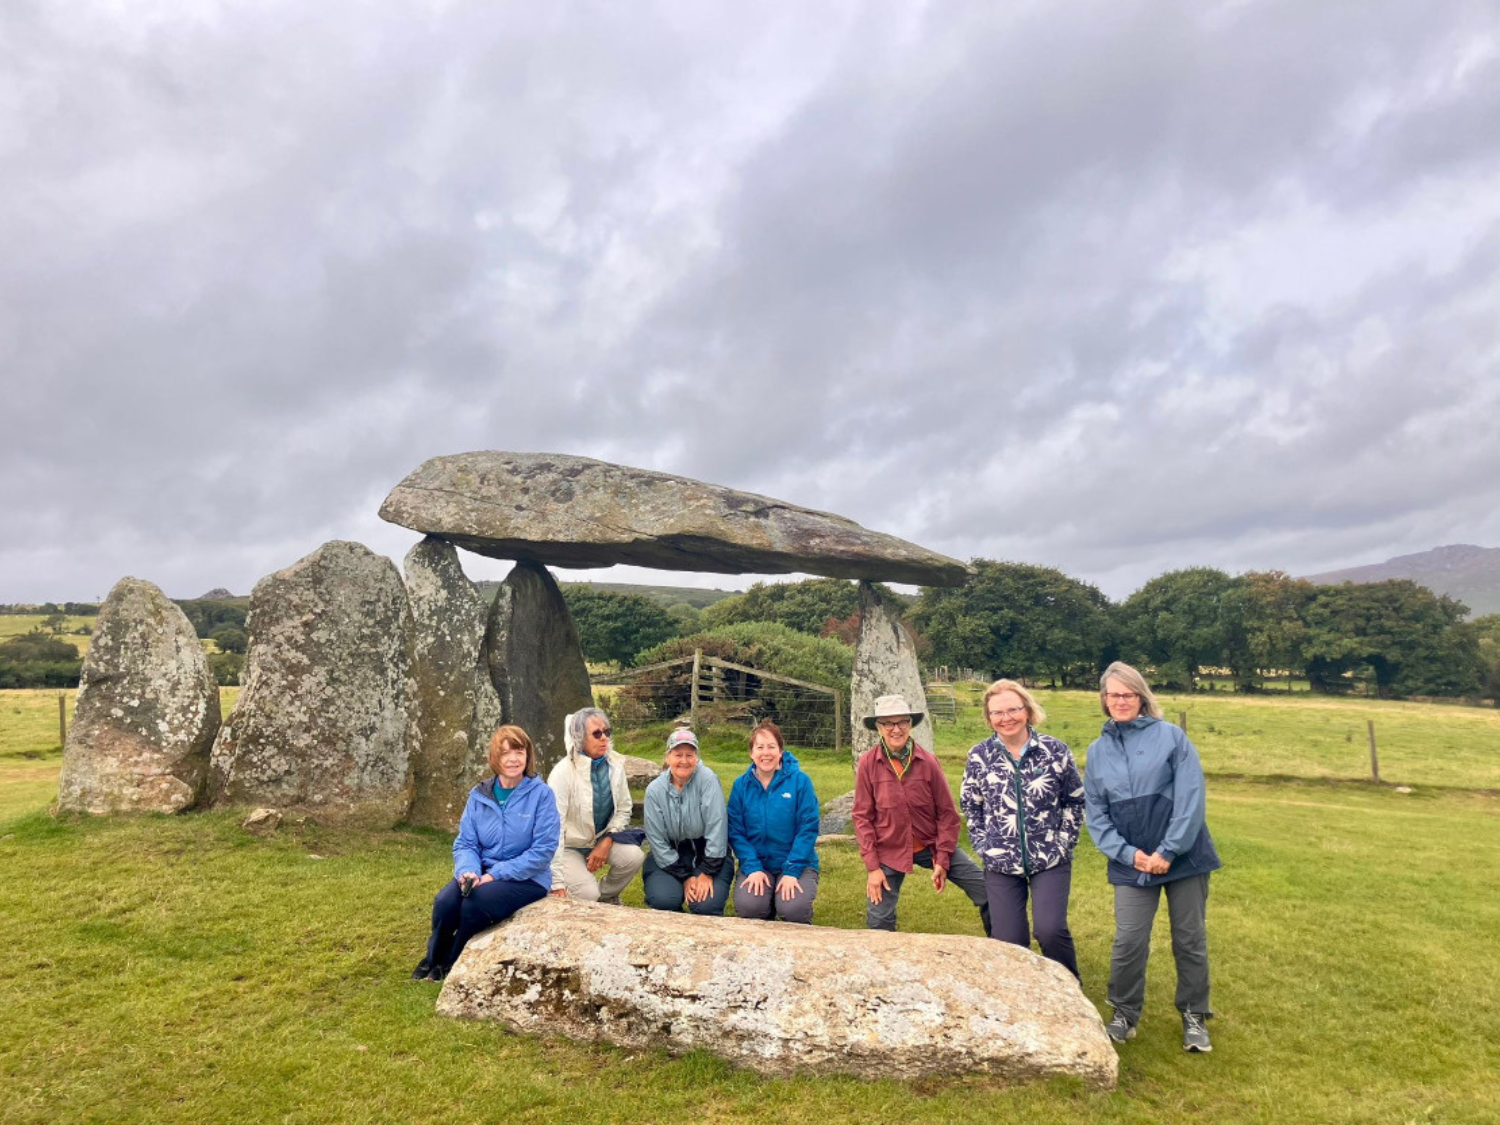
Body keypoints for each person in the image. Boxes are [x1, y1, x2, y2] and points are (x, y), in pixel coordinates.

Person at [1084, 661, 1222, 1053]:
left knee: (1189, 939)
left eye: (1128, 694)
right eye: (1113, 694)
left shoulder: (1172, 737)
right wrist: (1130, 855)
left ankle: (1195, 1015)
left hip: (1184, 858)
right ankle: (1124, 1014)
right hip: (1133, 864)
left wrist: (1169, 850)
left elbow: (1190, 797)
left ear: (1141, 697)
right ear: (1104, 700)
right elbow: (1097, 815)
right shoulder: (1097, 752)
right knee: (1128, 940)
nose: (1120, 701)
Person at [412, 725, 560, 982]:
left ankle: (451, 963)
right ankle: (432, 959)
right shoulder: (478, 795)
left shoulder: (542, 795)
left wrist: (495, 874)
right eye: (505, 753)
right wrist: (467, 871)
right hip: (481, 871)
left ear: (528, 755)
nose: (513, 759)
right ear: (495, 758)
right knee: (445, 902)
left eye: (519, 751)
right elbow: (466, 843)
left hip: (527, 878)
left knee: (475, 903)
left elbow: (543, 851)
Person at [960, 679, 1085, 978]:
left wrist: (1062, 844)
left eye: (1013, 710)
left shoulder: (1055, 751)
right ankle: (1021, 993)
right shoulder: (979, 756)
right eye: (997, 713)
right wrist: (984, 845)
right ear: (989, 718)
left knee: (1050, 930)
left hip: (1050, 859)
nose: (1006, 718)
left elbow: (1075, 801)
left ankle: (1068, 985)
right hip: (1001, 862)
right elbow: (971, 805)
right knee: (1010, 941)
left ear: (1027, 710)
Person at [853, 693, 991, 934]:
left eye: (902, 722)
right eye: (888, 723)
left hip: (931, 844)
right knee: (878, 921)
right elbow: (862, 817)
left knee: (988, 891)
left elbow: (948, 814)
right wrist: (873, 867)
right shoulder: (867, 763)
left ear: (910, 724)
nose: (896, 729)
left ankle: (1003, 947)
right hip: (889, 850)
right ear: (878, 727)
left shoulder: (927, 762)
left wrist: (943, 857)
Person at [546, 707, 646, 904]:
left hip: (600, 839)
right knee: (587, 894)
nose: (604, 738)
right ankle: (590, 894)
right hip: (569, 847)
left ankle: (607, 896)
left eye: (607, 732)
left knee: (634, 857)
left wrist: (607, 840)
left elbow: (624, 809)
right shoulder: (562, 773)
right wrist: (556, 882)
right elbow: (552, 828)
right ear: (580, 737)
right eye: (597, 734)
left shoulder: (615, 764)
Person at [727, 720, 820, 924]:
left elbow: (808, 828)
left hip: (797, 863)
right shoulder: (741, 786)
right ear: (751, 753)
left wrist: (792, 870)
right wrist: (752, 868)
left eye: (771, 747)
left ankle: (798, 919)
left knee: (793, 908)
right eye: (759, 747)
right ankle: (766, 906)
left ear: (780, 751)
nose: (765, 753)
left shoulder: (800, 782)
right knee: (749, 906)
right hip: (758, 864)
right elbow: (735, 831)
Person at [642, 728, 734, 914]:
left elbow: (717, 829)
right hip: (669, 856)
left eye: (689, 755)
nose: (684, 761)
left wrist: (706, 872)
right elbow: (656, 840)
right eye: (678, 755)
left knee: (705, 904)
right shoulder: (654, 791)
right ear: (668, 757)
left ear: (697, 757)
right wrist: (686, 877)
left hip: (708, 854)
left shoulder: (708, 780)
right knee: (664, 900)